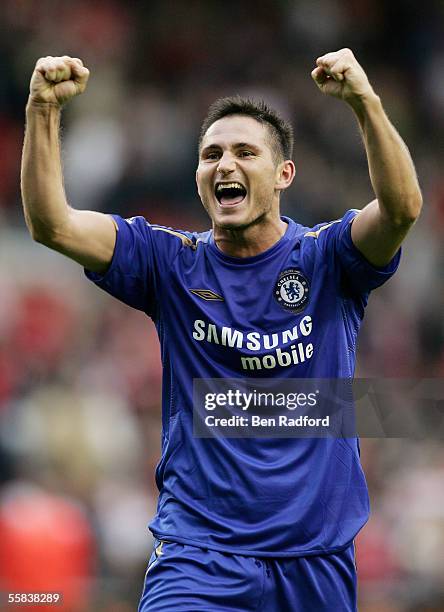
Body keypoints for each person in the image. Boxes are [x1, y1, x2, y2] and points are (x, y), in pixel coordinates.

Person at [21, 49, 422, 611]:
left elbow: (401, 209)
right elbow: (51, 224)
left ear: (283, 174)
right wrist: (42, 108)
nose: (224, 164)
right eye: (211, 154)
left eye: (244, 152)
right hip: (199, 554)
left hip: (315, 562)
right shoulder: (168, 261)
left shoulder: (328, 257)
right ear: (198, 177)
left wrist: (365, 103)